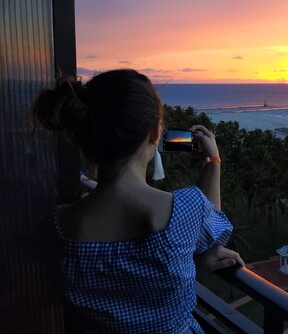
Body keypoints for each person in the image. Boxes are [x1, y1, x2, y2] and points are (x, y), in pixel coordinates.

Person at [32, 69, 243, 333]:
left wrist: (186, 268)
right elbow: (214, 233)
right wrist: (213, 163)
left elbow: (115, 284)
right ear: (156, 132)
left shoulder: (55, 229)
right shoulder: (184, 209)